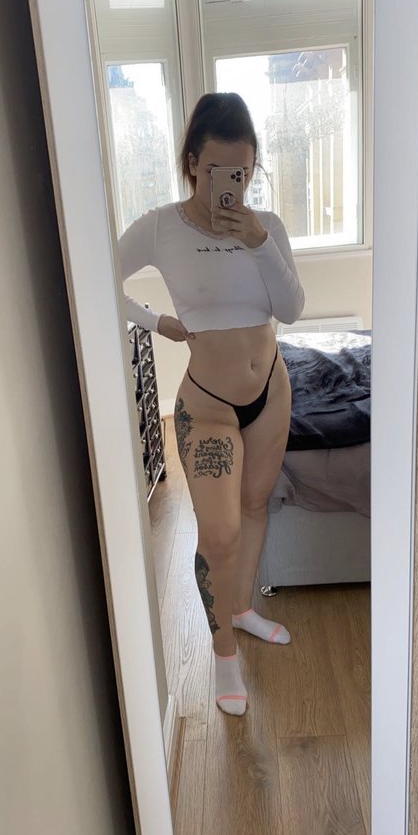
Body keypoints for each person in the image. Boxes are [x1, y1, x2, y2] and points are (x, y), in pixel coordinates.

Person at [118, 92, 305, 716]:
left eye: (243, 172)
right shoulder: (160, 227)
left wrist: (258, 241)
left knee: (255, 507)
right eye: (219, 170)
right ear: (193, 163)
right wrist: (155, 321)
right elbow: (94, 273)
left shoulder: (265, 226)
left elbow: (291, 309)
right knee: (219, 533)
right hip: (209, 403)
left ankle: (243, 609)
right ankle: (224, 654)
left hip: (272, 388)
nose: (231, 185)